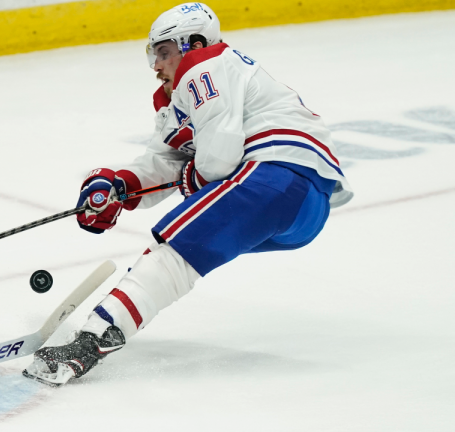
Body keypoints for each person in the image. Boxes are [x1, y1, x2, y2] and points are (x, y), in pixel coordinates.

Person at [23, 2, 353, 386]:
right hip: (304, 209)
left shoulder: (205, 65)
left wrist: (192, 178)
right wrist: (120, 187)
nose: (155, 65)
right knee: (187, 250)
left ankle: (90, 342)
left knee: (175, 251)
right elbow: (168, 161)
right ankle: (103, 331)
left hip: (276, 175)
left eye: (163, 52)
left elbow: (217, 161)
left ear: (193, 44)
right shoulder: (189, 95)